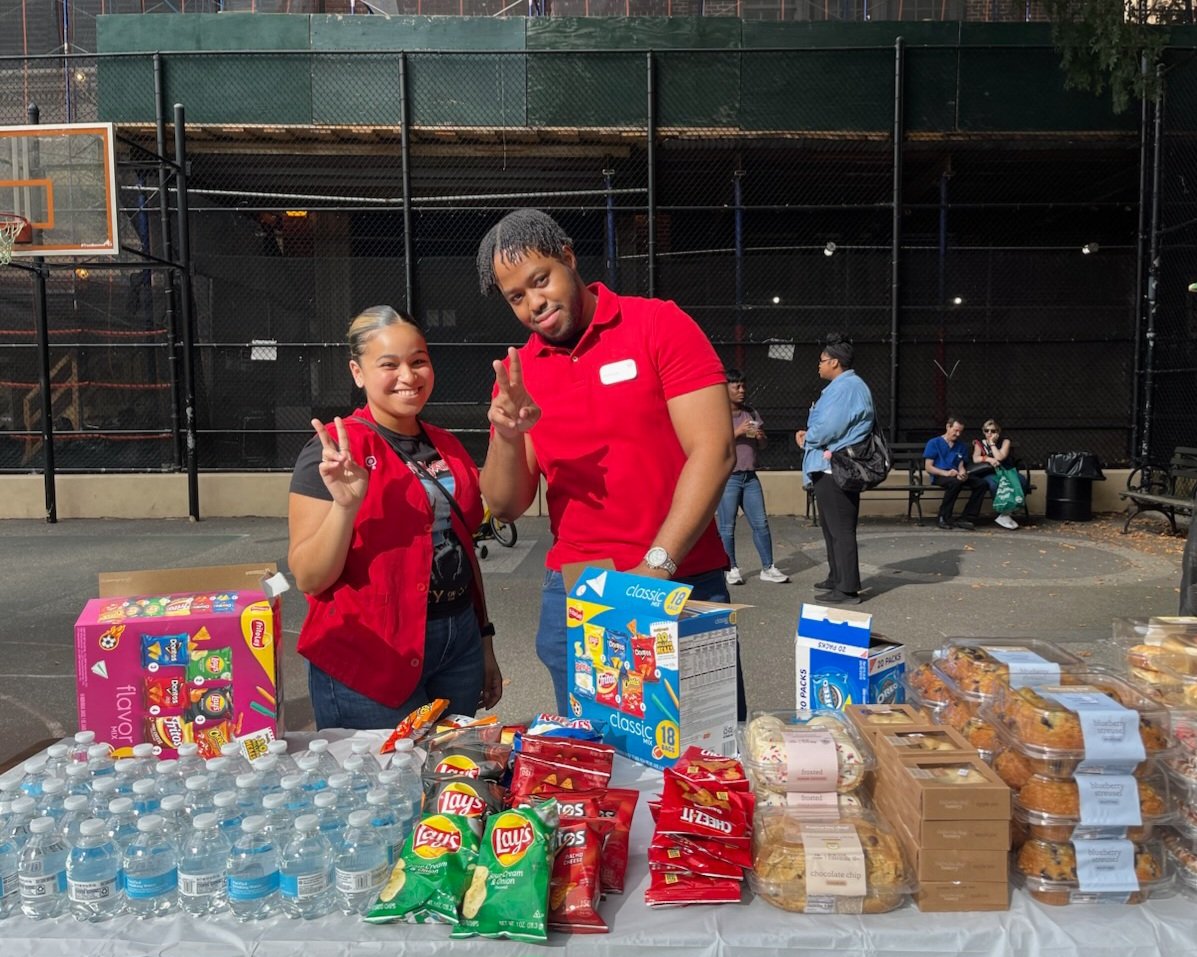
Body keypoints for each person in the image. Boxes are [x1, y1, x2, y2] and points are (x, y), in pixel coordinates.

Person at [474, 208, 742, 718]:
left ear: (569, 258)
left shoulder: (658, 323)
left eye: (540, 280)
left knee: (702, 761)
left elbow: (715, 449)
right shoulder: (519, 372)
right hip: (581, 587)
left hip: (679, 575)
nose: (535, 303)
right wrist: (508, 436)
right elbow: (505, 505)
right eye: (517, 297)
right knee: (595, 768)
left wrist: (657, 565)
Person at [287, 305, 503, 730]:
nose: (409, 376)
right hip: (372, 653)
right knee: (384, 785)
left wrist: (484, 641)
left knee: (448, 777)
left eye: (418, 360)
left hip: (456, 642)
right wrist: (346, 505)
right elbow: (310, 578)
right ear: (358, 372)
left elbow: (463, 549)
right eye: (389, 364)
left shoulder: (447, 445)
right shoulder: (334, 451)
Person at [794, 334, 874, 605]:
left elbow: (829, 427)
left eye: (823, 361)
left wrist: (809, 438)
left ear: (836, 363)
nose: (819, 365)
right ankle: (837, 578)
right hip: (830, 467)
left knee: (840, 530)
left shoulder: (845, 387)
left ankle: (847, 588)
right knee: (832, 529)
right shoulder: (846, 386)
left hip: (835, 468)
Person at [719, 369, 789, 586]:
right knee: (727, 527)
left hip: (750, 477)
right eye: (736, 386)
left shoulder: (751, 412)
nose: (742, 390)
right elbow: (714, 444)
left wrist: (760, 437)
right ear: (725, 388)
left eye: (743, 385)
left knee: (761, 523)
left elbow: (763, 445)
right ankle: (731, 568)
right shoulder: (717, 413)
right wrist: (737, 432)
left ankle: (768, 567)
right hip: (728, 477)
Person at [924, 416, 988, 531]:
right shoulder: (934, 443)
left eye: (960, 431)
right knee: (955, 483)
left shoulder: (961, 446)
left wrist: (963, 472)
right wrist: (946, 473)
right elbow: (928, 467)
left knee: (981, 484)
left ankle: (967, 517)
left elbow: (961, 464)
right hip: (940, 475)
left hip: (956, 474)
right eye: (956, 430)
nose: (958, 434)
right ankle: (943, 517)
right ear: (948, 427)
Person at [972, 418, 1030, 530]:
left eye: (993, 431)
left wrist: (992, 444)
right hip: (990, 472)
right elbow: (975, 458)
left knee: (1021, 481)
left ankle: (1006, 513)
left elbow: (1000, 457)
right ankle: (1003, 512)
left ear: (998, 432)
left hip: (1007, 470)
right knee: (995, 484)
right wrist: (988, 459)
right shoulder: (979, 443)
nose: (989, 433)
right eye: (986, 430)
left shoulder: (1005, 441)